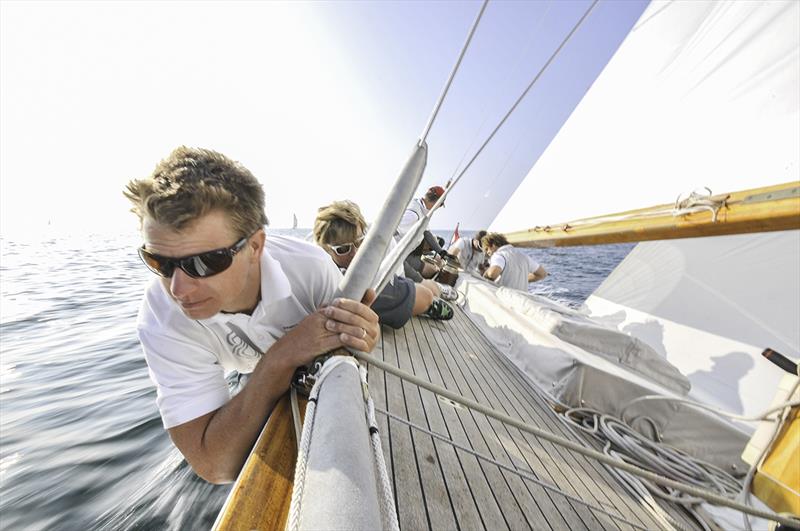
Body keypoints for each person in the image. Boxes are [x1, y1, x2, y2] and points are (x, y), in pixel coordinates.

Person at [124, 147, 380, 484]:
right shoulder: (162, 316)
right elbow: (214, 465)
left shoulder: (312, 270)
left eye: (204, 263)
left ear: (255, 246)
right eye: (159, 263)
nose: (178, 289)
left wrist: (360, 328)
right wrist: (282, 356)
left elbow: (352, 350)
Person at [313, 200, 454, 325]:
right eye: (343, 249)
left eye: (360, 242)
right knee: (426, 293)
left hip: (392, 258)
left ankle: (439, 289)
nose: (355, 253)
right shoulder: (322, 272)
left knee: (430, 292)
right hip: (384, 267)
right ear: (326, 250)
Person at [395, 185, 451, 286]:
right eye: (441, 205)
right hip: (398, 259)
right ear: (437, 203)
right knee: (431, 274)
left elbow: (426, 232)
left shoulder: (421, 208)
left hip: (406, 256)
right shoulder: (413, 215)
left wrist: (442, 252)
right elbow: (391, 238)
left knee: (431, 270)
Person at [481, 232, 548, 291]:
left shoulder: (498, 255)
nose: (487, 253)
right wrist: (522, 280)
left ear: (493, 245)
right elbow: (542, 274)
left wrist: (484, 275)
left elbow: (493, 273)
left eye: (487, 249)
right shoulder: (523, 255)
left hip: (505, 300)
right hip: (522, 301)